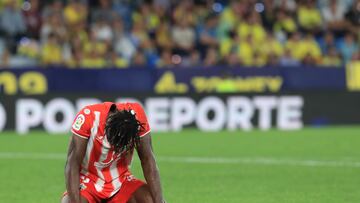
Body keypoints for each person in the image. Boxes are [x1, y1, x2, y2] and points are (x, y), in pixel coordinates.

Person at [61, 102, 165, 203]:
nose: (120, 149)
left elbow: (148, 160)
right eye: (119, 143)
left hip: (121, 181)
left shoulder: (137, 116)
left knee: (151, 199)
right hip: (89, 181)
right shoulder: (88, 116)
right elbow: (72, 164)